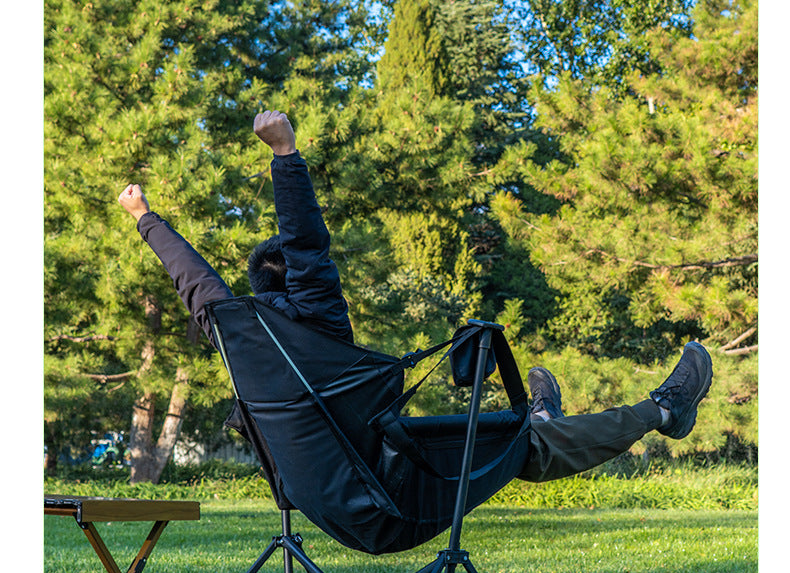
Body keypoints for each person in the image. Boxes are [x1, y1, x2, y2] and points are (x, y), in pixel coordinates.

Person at [119, 110, 713, 489]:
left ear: (259, 294)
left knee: (514, 437)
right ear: (303, 285)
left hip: (322, 501)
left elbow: (198, 284)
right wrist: (285, 155)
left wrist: (145, 218)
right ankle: (663, 411)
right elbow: (305, 245)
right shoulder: (319, 319)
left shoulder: (237, 340)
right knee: (527, 447)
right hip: (396, 490)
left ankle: (536, 417)